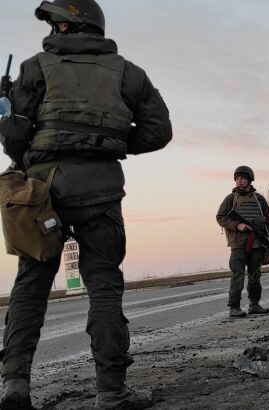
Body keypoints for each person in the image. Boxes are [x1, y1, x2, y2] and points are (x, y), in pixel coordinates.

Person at [0, 1, 172, 408]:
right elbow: (159, 131)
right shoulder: (129, 73)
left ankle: (15, 386)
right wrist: (108, 144)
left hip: (43, 193)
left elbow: (15, 140)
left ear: (67, 24)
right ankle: (111, 392)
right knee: (105, 288)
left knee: (31, 287)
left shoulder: (33, 67)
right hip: (102, 191)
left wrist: (11, 114)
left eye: (54, 22)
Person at [216, 166, 269, 318]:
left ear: (249, 180)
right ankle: (234, 307)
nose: (239, 181)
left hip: (256, 244)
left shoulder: (259, 199)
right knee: (238, 275)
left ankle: (254, 305)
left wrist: (268, 241)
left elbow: (268, 221)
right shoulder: (230, 199)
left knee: (255, 275)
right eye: (237, 178)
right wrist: (237, 225)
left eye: (242, 178)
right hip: (238, 244)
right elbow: (220, 217)